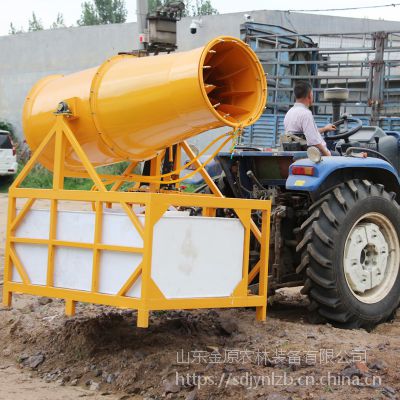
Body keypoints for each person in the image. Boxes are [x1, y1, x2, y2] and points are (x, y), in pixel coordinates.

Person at [284, 81, 336, 156]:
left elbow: (304, 135)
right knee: (340, 155)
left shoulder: (289, 113)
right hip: (316, 156)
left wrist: (325, 129)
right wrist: (328, 155)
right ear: (309, 95)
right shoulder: (306, 114)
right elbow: (313, 141)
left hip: (301, 151)